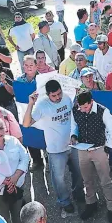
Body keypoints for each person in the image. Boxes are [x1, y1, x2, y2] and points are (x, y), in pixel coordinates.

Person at [23, 80, 84, 213]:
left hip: (73, 145)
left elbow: (75, 114)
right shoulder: (42, 105)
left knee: (78, 173)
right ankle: (64, 200)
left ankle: (78, 194)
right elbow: (26, 124)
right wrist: (30, 104)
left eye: (59, 94)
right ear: (48, 95)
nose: (57, 98)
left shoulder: (67, 98)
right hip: (55, 149)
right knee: (59, 179)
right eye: (54, 96)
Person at [71, 90, 112, 222]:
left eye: (86, 107)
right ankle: (91, 204)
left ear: (91, 102)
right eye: (81, 108)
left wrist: (108, 147)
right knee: (87, 180)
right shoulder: (76, 110)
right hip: (82, 150)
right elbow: (73, 125)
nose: (84, 110)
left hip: (99, 149)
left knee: (105, 180)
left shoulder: (103, 111)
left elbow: (111, 130)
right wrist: (73, 136)